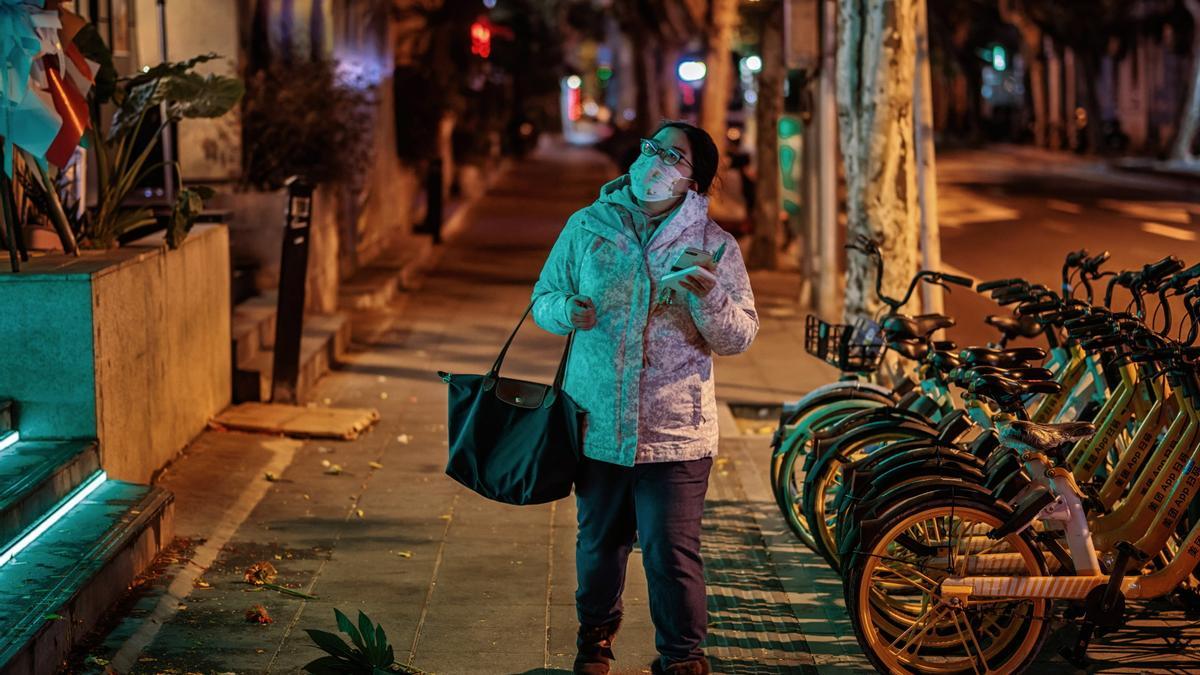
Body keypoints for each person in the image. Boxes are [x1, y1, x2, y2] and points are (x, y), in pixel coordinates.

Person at [530, 121, 759, 675]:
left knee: (671, 556)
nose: (655, 161)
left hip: (676, 433)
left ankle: (682, 660)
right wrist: (567, 311)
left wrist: (709, 297)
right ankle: (595, 645)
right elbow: (543, 298)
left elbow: (738, 337)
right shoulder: (588, 226)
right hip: (597, 424)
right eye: (652, 148)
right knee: (600, 547)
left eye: (673, 156)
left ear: (693, 182)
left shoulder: (713, 246)